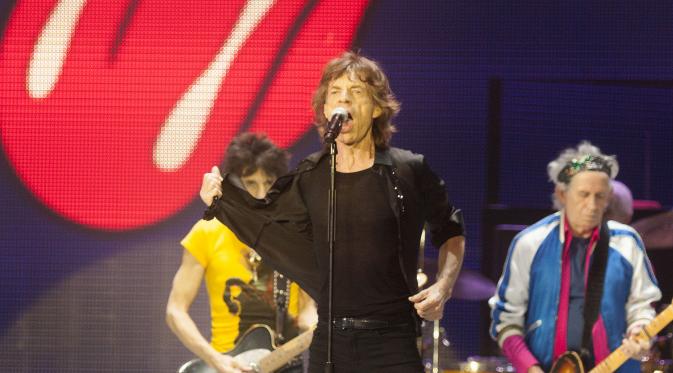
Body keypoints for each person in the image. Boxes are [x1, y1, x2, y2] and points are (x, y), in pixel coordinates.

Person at [199, 51, 466, 372]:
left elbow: (451, 229)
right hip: (330, 343)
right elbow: (267, 217)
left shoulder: (408, 170)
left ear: (378, 107)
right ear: (325, 110)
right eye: (336, 94)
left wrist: (444, 286)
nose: (345, 101)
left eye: (356, 93)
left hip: (393, 341)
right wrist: (220, 199)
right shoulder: (311, 176)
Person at [489, 141, 662, 373]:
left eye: (600, 196)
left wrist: (640, 333)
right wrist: (530, 368)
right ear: (561, 193)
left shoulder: (627, 242)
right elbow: (506, 320)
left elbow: (643, 306)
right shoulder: (529, 243)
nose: (592, 205)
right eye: (583, 194)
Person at [166, 132, 317, 373]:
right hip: (228, 364)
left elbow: (308, 305)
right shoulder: (207, 232)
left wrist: (313, 324)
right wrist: (216, 360)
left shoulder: (291, 235)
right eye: (250, 183)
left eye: (268, 183)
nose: (260, 193)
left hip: (288, 364)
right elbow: (175, 310)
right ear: (234, 185)